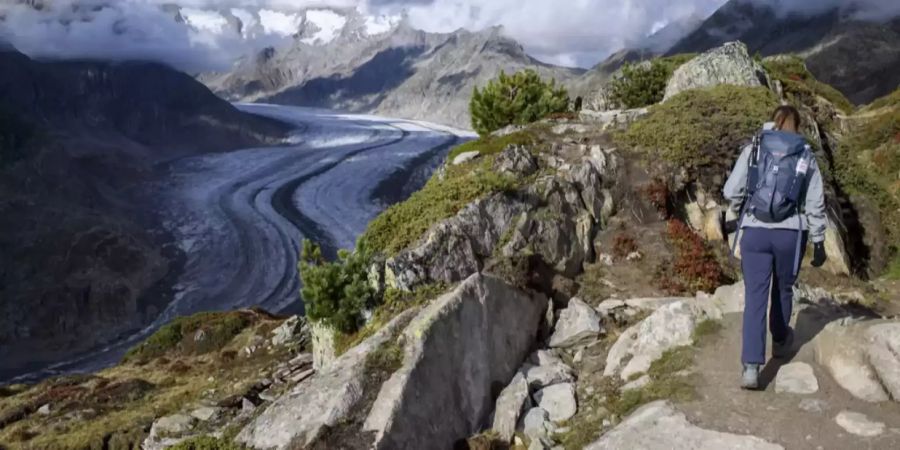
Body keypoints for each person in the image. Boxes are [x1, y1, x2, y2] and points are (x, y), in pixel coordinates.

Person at [722, 105, 828, 390]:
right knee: (783, 289)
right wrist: (818, 240)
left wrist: (737, 212)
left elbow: (732, 190)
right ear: (797, 126)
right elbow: (815, 202)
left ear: (772, 121)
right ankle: (780, 341)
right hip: (789, 234)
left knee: (755, 296)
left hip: (754, 232)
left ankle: (751, 368)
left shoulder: (755, 148)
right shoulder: (804, 154)